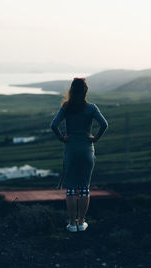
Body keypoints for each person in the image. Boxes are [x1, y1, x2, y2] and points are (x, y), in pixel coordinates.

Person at [50, 77, 108, 232]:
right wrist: (95, 138)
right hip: (87, 149)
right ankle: (81, 222)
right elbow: (104, 124)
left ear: (71, 90)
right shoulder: (91, 108)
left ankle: (72, 223)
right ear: (85, 91)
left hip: (71, 149)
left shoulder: (66, 108)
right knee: (84, 188)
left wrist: (62, 138)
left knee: (70, 189)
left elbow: (53, 125)